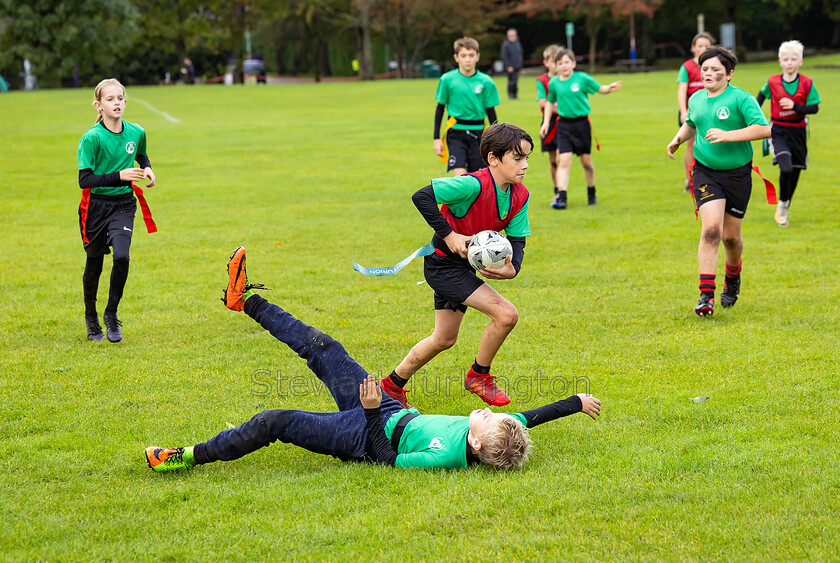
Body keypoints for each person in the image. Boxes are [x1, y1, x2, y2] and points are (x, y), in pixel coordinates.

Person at [144, 247, 602, 473]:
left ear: (477, 447)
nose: (487, 411)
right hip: (386, 407)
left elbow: (385, 462)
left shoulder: (444, 456)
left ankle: (184, 457)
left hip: (361, 436)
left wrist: (366, 413)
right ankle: (244, 301)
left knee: (275, 420)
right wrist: (575, 402)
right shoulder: (494, 432)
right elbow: (533, 417)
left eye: (488, 421)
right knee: (326, 349)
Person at [380, 123, 532, 410]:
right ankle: (479, 376)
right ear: (493, 159)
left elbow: (517, 240)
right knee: (506, 315)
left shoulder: (519, 195)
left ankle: (390, 386)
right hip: (442, 265)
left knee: (443, 338)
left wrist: (514, 268)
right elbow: (421, 196)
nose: (524, 165)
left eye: (527, 158)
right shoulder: (470, 184)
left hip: (462, 268)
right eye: (517, 158)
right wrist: (449, 235)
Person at [666, 46, 770, 316]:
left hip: (737, 174)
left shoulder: (741, 99)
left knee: (731, 238)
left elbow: (764, 128)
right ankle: (706, 295)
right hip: (705, 172)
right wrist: (678, 139)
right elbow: (692, 122)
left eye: (715, 70)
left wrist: (729, 135)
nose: (708, 74)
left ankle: (733, 277)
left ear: (730, 73)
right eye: (705, 69)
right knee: (711, 230)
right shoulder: (697, 98)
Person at [77, 78, 156, 342]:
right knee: (95, 263)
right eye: (110, 99)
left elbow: (141, 155)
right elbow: (84, 181)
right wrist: (118, 175)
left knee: (121, 257)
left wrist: (147, 168)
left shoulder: (136, 132)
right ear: (98, 105)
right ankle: (91, 318)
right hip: (95, 207)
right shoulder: (92, 138)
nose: (117, 103)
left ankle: (111, 314)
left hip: (124, 203)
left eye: (121, 98)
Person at [539, 48, 621, 209]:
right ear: (555, 66)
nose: (564, 66)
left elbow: (599, 88)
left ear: (574, 63)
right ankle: (562, 197)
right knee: (564, 160)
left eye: (567, 62)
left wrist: (609, 88)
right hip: (564, 125)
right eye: (560, 63)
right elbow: (549, 102)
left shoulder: (582, 78)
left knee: (586, 162)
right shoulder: (554, 83)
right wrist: (546, 123)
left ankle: (591, 192)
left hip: (582, 125)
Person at [756, 40, 821, 227]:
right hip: (778, 130)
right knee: (786, 168)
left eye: (794, 59)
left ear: (801, 61)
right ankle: (783, 205)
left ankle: (784, 204)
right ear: (779, 61)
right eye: (786, 59)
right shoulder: (772, 81)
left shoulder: (807, 83)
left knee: (796, 170)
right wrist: (755, 118)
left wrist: (796, 107)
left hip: (798, 131)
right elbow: (758, 100)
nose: (789, 62)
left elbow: (814, 108)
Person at [434, 37, 501, 177]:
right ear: (456, 57)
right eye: (463, 55)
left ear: (477, 57)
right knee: (460, 178)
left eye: (471, 55)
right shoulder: (447, 80)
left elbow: (491, 112)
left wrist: (498, 139)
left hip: (479, 134)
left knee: (477, 178)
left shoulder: (486, 82)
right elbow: (440, 108)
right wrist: (436, 138)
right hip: (455, 132)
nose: (467, 59)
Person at [677, 32, 715, 192]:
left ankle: (712, 178)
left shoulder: (716, 66)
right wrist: (683, 111)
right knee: (690, 145)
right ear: (693, 48)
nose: (703, 49)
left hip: (711, 112)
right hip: (692, 112)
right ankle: (689, 180)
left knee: (712, 143)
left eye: (707, 46)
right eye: (700, 46)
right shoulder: (687, 67)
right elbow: (681, 90)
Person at [537, 45, 562, 201]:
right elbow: (542, 102)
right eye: (554, 61)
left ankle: (561, 192)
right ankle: (556, 190)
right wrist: (556, 107)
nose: (557, 64)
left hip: (565, 121)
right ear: (546, 62)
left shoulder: (566, 78)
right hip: (549, 121)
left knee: (561, 158)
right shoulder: (542, 80)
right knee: (553, 160)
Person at [501, 28, 524, 100]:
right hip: (510, 66)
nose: (512, 36)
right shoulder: (505, 45)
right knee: (511, 81)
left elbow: (520, 54)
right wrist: (508, 66)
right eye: (511, 35)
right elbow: (504, 56)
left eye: (513, 35)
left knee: (516, 81)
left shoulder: (517, 43)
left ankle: (515, 95)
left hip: (517, 66)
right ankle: (510, 95)